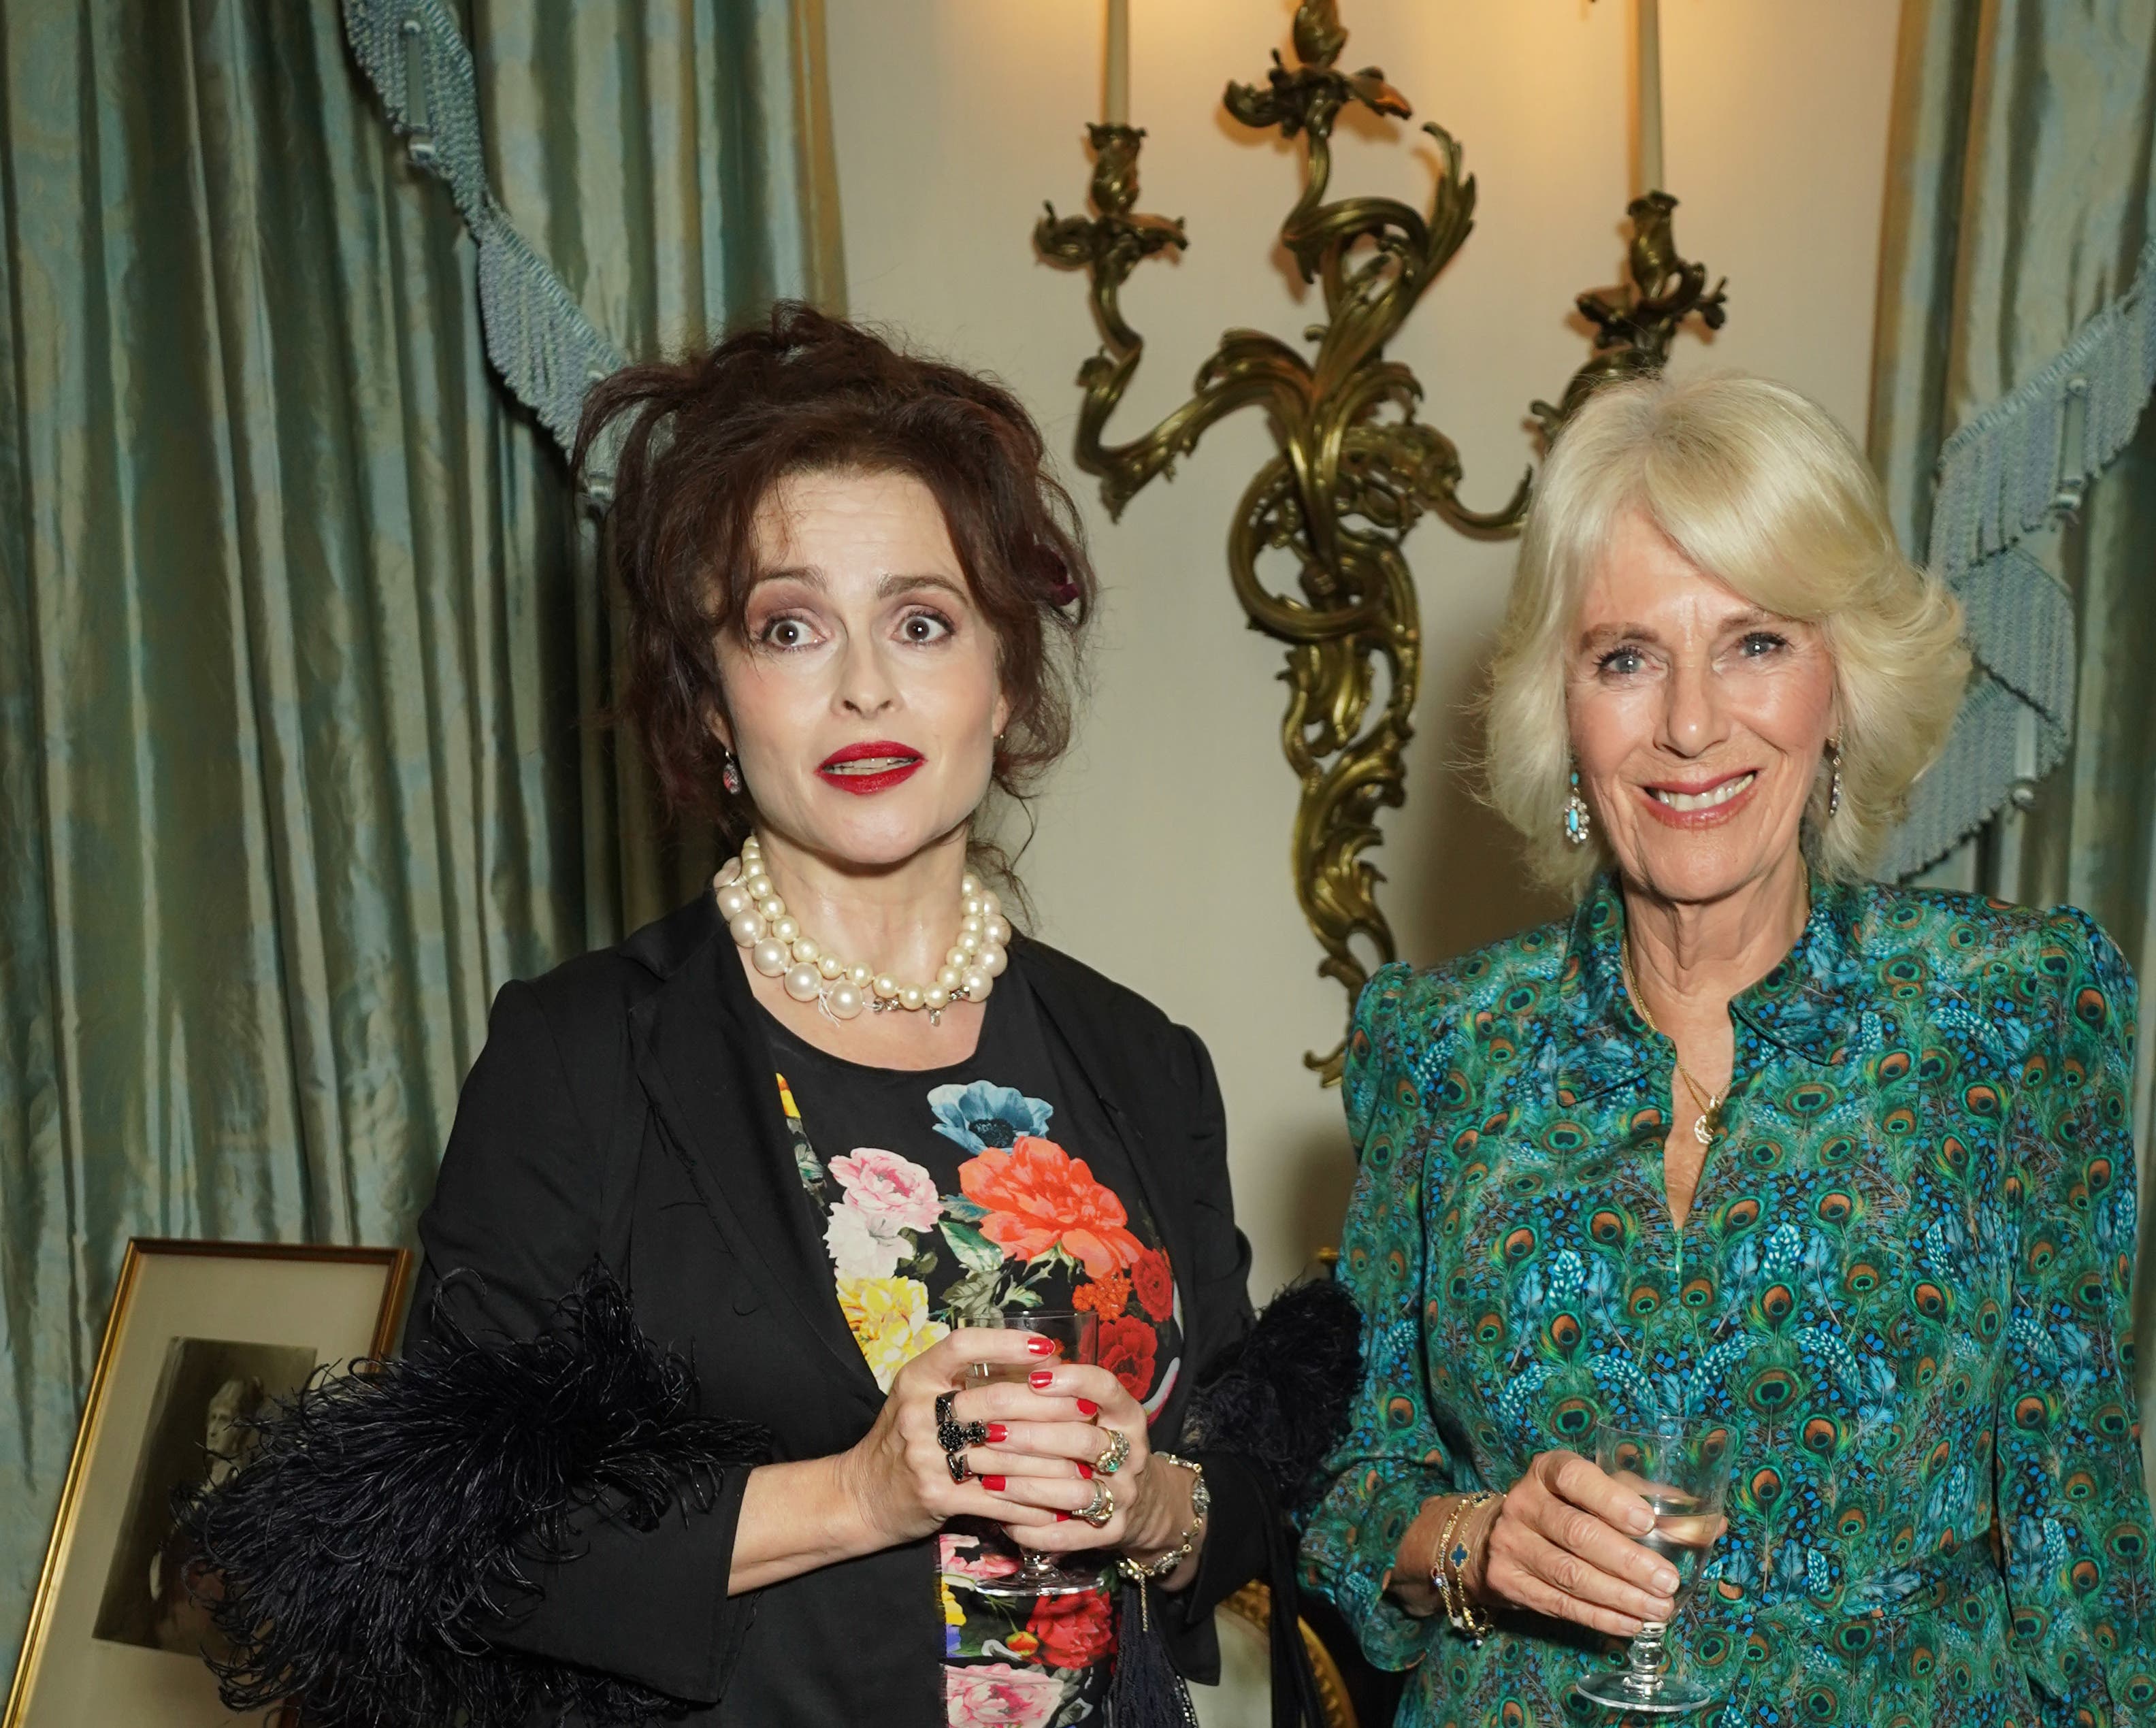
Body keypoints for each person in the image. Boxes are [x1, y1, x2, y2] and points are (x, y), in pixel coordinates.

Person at [189, 304, 1348, 1728]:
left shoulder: (1136, 1057)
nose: (864, 682)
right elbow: (456, 1547)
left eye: (921, 621)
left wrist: (1155, 1501)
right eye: (789, 626)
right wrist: (860, 1491)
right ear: (715, 704)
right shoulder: (581, 1053)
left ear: (1002, 679)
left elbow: (1246, 1483)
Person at [1298, 372, 2156, 1725]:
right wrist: (1476, 1542)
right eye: (1626, 656)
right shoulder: (1441, 1046)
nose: (1692, 723)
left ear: (1841, 682)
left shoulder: (2007, 1012)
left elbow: (2081, 1524)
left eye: (1755, 642)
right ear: (1564, 709)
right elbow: (1347, 1491)